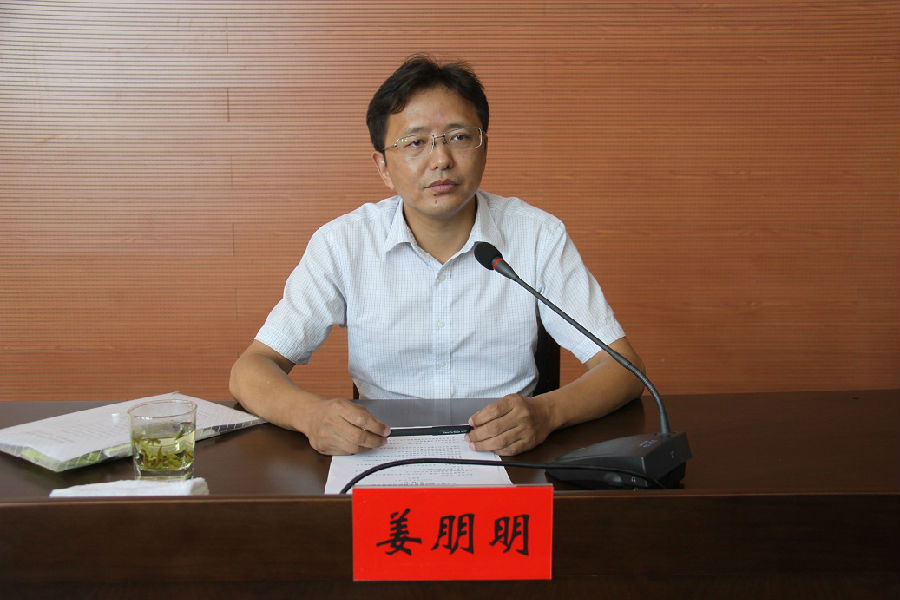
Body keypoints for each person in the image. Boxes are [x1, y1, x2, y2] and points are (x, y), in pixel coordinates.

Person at [229, 55, 645, 457]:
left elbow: (623, 369)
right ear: (383, 167)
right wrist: (310, 416)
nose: (441, 160)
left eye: (460, 137)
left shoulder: (537, 236)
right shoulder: (343, 244)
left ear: (484, 147)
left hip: (509, 454)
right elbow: (251, 369)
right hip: (383, 454)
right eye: (415, 143)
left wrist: (547, 412)